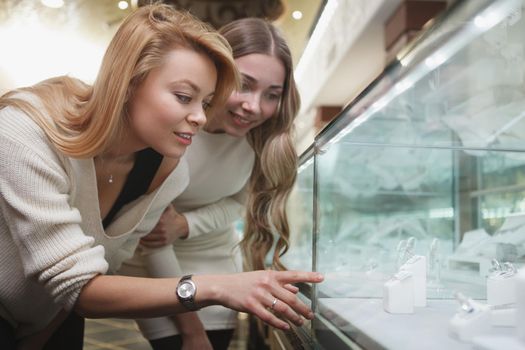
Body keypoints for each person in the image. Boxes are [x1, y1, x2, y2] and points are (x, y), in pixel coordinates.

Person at [0, 5, 323, 350]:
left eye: (206, 101)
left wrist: (38, 336)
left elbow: (91, 277)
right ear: (128, 82)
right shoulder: (24, 131)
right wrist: (217, 288)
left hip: (49, 316)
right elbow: (79, 284)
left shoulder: (170, 170)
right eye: (184, 97)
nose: (199, 117)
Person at [120, 17, 302, 350]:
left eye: (272, 95)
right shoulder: (172, 130)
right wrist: (192, 330)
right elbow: (154, 240)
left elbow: (237, 202)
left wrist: (186, 224)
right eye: (244, 85)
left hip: (217, 260)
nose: (254, 107)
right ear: (216, 71)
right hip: (151, 264)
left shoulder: (259, 139)